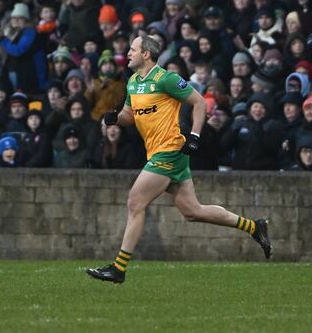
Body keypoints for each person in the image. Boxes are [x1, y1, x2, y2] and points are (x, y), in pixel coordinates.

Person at [87, 33, 271, 284]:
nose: (128, 53)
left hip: (170, 150)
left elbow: (199, 103)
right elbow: (130, 115)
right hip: (158, 152)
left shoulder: (167, 79)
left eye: (133, 49)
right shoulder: (132, 82)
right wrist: (116, 119)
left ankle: (118, 268)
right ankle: (254, 227)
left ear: (146, 54)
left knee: (135, 202)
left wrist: (194, 135)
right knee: (193, 211)